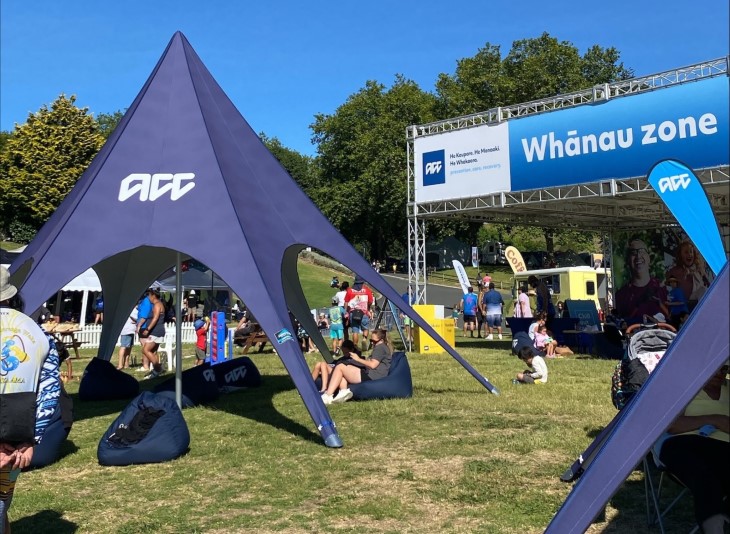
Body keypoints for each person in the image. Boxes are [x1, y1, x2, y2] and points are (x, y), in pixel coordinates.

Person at [1, 266, 62, 534]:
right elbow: (50, 391)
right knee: (3, 499)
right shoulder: (37, 333)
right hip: (18, 444)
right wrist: (30, 440)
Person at [655, 362, 729, 533]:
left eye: (724, 369)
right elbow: (673, 425)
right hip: (685, 443)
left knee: (711, 481)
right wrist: (716, 419)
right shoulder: (687, 387)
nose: (720, 373)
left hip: (724, 448)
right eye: (715, 368)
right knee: (705, 480)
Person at [321, 329, 393, 405]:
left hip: (373, 375)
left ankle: (328, 395)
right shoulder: (383, 347)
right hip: (374, 373)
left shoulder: (380, 348)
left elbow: (372, 365)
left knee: (340, 367)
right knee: (343, 370)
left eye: (374, 341)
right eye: (371, 340)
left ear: (381, 340)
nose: (372, 343)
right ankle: (343, 392)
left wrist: (358, 359)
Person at [615, 237, 669, 325]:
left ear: (649, 258)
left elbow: (670, 317)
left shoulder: (661, 288)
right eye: (633, 252)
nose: (638, 256)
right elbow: (622, 322)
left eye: (641, 251)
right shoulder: (621, 295)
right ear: (628, 260)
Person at [665, 239, 711, 311]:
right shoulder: (676, 270)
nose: (689, 254)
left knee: (704, 289)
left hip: (698, 299)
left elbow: (709, 285)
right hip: (685, 301)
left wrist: (703, 273)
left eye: (691, 252)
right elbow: (668, 284)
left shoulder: (698, 269)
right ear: (680, 255)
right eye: (686, 252)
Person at [137, 288, 165, 379]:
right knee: (152, 351)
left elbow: (155, 318)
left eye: (149, 295)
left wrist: (148, 329)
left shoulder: (157, 305)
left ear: (153, 295)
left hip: (156, 331)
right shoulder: (156, 304)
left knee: (145, 350)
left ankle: (158, 369)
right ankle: (156, 370)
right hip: (155, 331)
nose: (148, 297)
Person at [345, 276, 374, 351]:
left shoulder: (350, 290)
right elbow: (370, 301)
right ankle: (364, 339)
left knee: (355, 330)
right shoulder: (367, 290)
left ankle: (355, 346)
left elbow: (346, 302)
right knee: (365, 327)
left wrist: (346, 311)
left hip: (353, 312)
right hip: (364, 312)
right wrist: (368, 308)